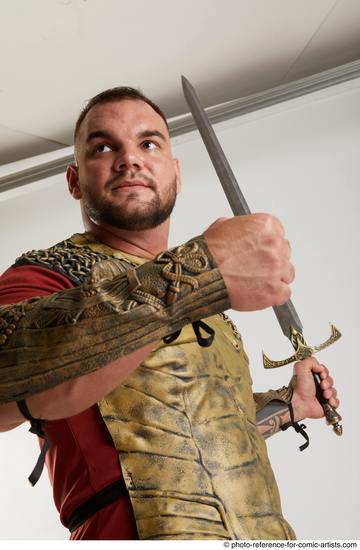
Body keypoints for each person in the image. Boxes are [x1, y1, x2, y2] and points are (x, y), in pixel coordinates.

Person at [0, 87, 339, 540]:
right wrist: (199, 273)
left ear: (176, 175)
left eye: (149, 143)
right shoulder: (49, 275)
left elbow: (197, 442)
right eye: (103, 147)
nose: (129, 159)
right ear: (74, 180)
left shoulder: (216, 313)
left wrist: (289, 406)